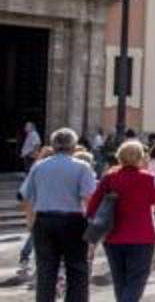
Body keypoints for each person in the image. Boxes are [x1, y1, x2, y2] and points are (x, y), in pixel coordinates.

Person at [20, 128, 95, 302]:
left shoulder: (39, 167)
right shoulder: (82, 167)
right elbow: (88, 198)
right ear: (73, 145)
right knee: (77, 270)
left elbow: (26, 196)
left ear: (53, 145)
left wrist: (30, 221)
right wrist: (92, 224)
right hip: (74, 221)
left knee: (46, 271)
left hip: (45, 220)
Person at [87, 140, 155, 302]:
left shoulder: (109, 178)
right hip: (142, 237)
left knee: (119, 280)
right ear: (140, 158)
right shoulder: (147, 178)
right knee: (136, 280)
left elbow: (92, 206)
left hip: (113, 236)